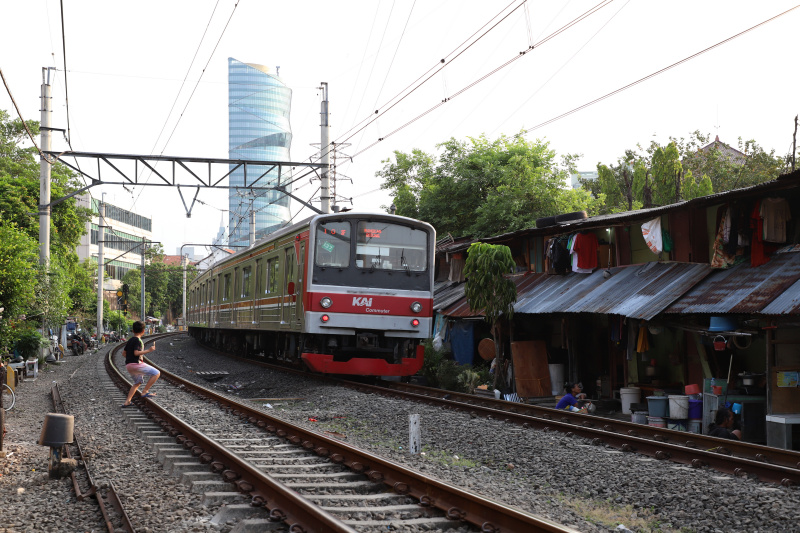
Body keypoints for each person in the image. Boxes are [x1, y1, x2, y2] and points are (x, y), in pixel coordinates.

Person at [122, 321, 159, 407]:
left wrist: (130, 359)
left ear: (133, 330)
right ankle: (145, 391)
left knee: (137, 382)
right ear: (143, 331)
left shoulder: (130, 340)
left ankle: (127, 401)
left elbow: (124, 354)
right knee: (156, 373)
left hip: (129, 365)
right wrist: (149, 350)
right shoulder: (138, 341)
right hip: (136, 364)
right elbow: (136, 353)